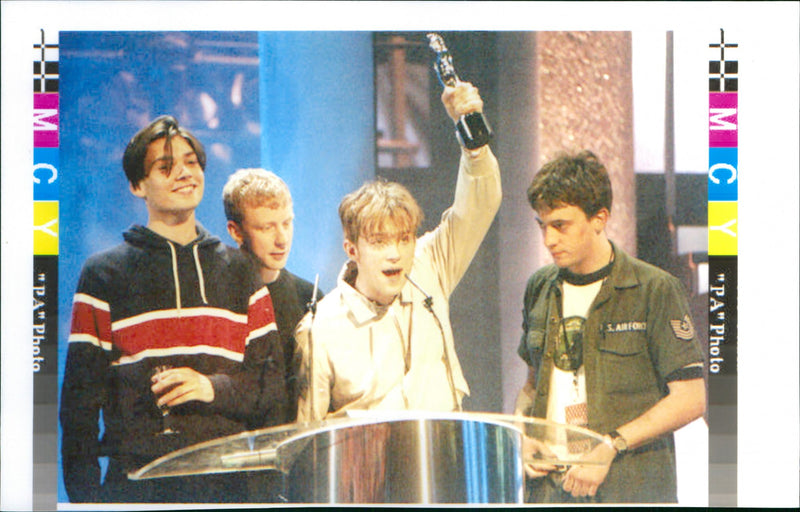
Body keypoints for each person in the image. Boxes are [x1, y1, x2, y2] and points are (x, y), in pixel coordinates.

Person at [59, 116, 288, 503]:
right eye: (165, 167)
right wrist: (88, 504)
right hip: (134, 490)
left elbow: (271, 388)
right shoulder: (104, 274)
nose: (184, 173)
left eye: (192, 163)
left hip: (228, 488)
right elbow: (79, 410)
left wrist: (210, 388)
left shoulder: (241, 271)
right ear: (137, 185)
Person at [295, 82, 501, 421]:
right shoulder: (320, 329)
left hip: (442, 456)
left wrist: (473, 137)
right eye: (379, 242)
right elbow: (308, 433)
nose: (396, 253)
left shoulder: (428, 265)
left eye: (404, 238)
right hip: (368, 467)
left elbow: (479, 205)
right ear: (352, 250)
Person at [515, 151, 706, 503]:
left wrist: (611, 444)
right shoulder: (539, 286)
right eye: (542, 225)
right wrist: (524, 436)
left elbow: (691, 398)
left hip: (628, 489)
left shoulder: (654, 289)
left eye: (560, 225)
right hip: (549, 492)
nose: (548, 240)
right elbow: (531, 385)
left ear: (599, 218)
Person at [223, 168, 321, 424]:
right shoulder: (218, 300)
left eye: (287, 223)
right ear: (236, 231)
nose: (282, 239)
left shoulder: (309, 297)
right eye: (267, 227)